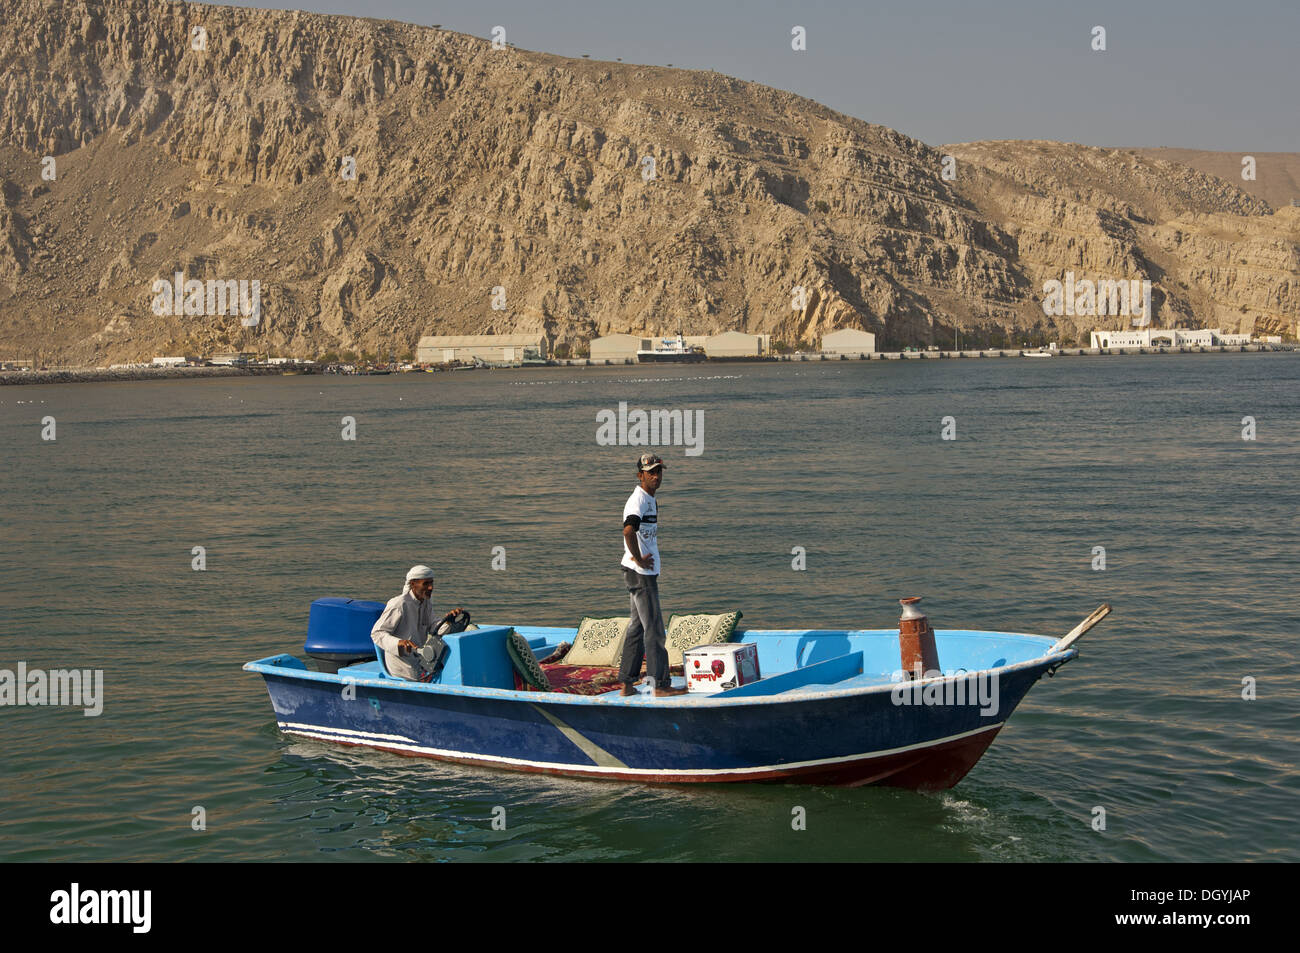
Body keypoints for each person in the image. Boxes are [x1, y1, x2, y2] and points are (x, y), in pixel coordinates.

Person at [618, 453, 687, 697]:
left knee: (637, 627)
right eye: (651, 473)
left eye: (659, 472)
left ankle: (626, 684)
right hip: (640, 574)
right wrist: (638, 558)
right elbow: (628, 530)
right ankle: (660, 685)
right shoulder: (638, 500)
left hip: (639, 572)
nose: (656, 476)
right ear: (640, 475)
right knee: (655, 629)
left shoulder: (650, 499)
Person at [370, 565, 465, 682]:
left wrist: (449, 622)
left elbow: (434, 627)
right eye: (426, 584)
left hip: (420, 660)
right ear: (413, 584)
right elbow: (377, 633)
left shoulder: (425, 602)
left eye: (432, 583)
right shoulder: (399, 604)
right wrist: (398, 643)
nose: (430, 588)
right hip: (402, 667)